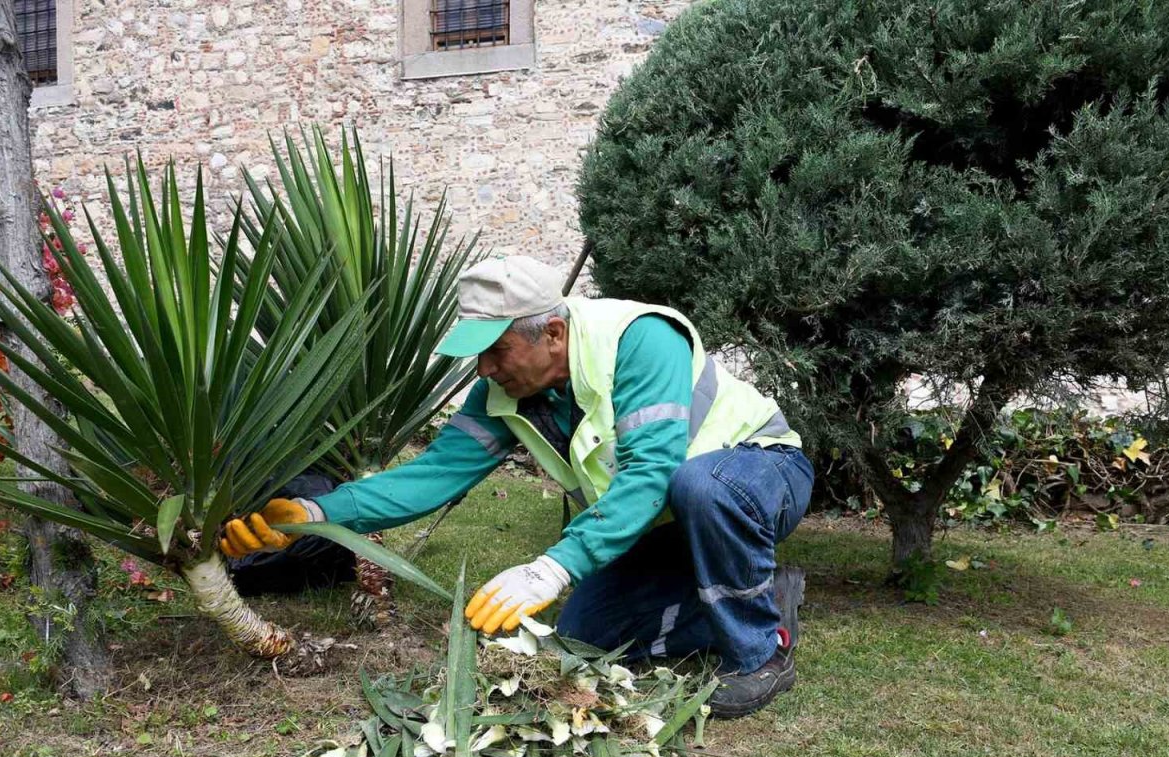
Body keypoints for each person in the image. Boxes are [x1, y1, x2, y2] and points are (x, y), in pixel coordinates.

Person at [220, 256, 814, 717]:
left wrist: (550, 569)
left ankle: (761, 651)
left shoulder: (639, 340)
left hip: (754, 474)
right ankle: (759, 590)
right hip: (665, 520)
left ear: (551, 333)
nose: (484, 371)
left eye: (495, 351)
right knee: (585, 634)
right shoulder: (505, 391)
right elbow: (433, 474)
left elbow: (649, 472)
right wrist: (311, 510)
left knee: (696, 484)